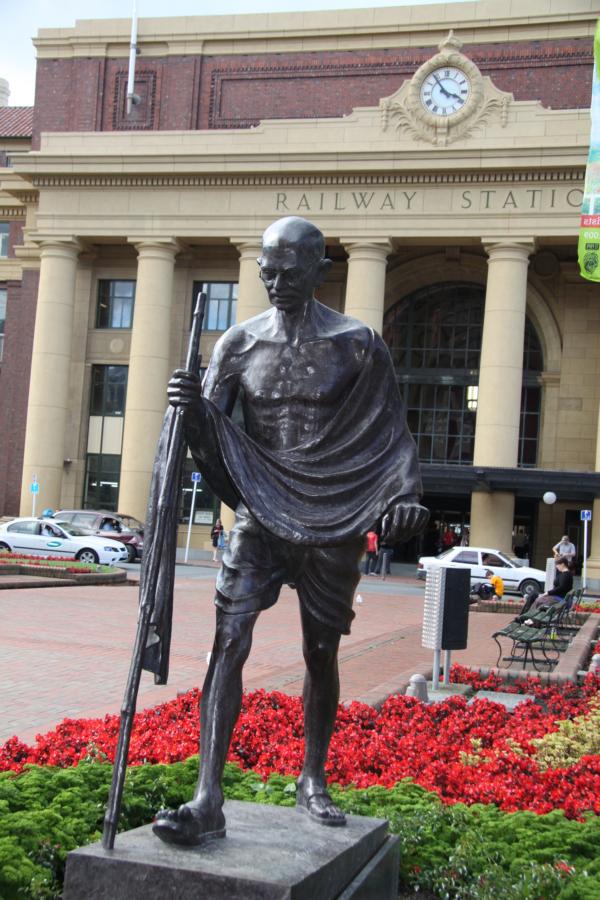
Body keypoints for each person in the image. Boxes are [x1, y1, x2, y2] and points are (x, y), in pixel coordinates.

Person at [154, 216, 428, 846]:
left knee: (320, 652)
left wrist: (406, 496)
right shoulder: (238, 344)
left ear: (319, 270)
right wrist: (190, 410)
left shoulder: (357, 344)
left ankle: (312, 777)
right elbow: (212, 441)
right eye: (266, 270)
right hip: (259, 513)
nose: (276, 282)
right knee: (229, 641)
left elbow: (391, 435)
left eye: (290, 270)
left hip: (332, 516)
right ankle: (207, 796)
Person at [374, 513, 394, 580]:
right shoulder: (382, 529)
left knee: (386, 561)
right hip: (384, 548)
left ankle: (387, 571)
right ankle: (378, 570)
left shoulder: (390, 530)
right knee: (380, 560)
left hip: (387, 548)